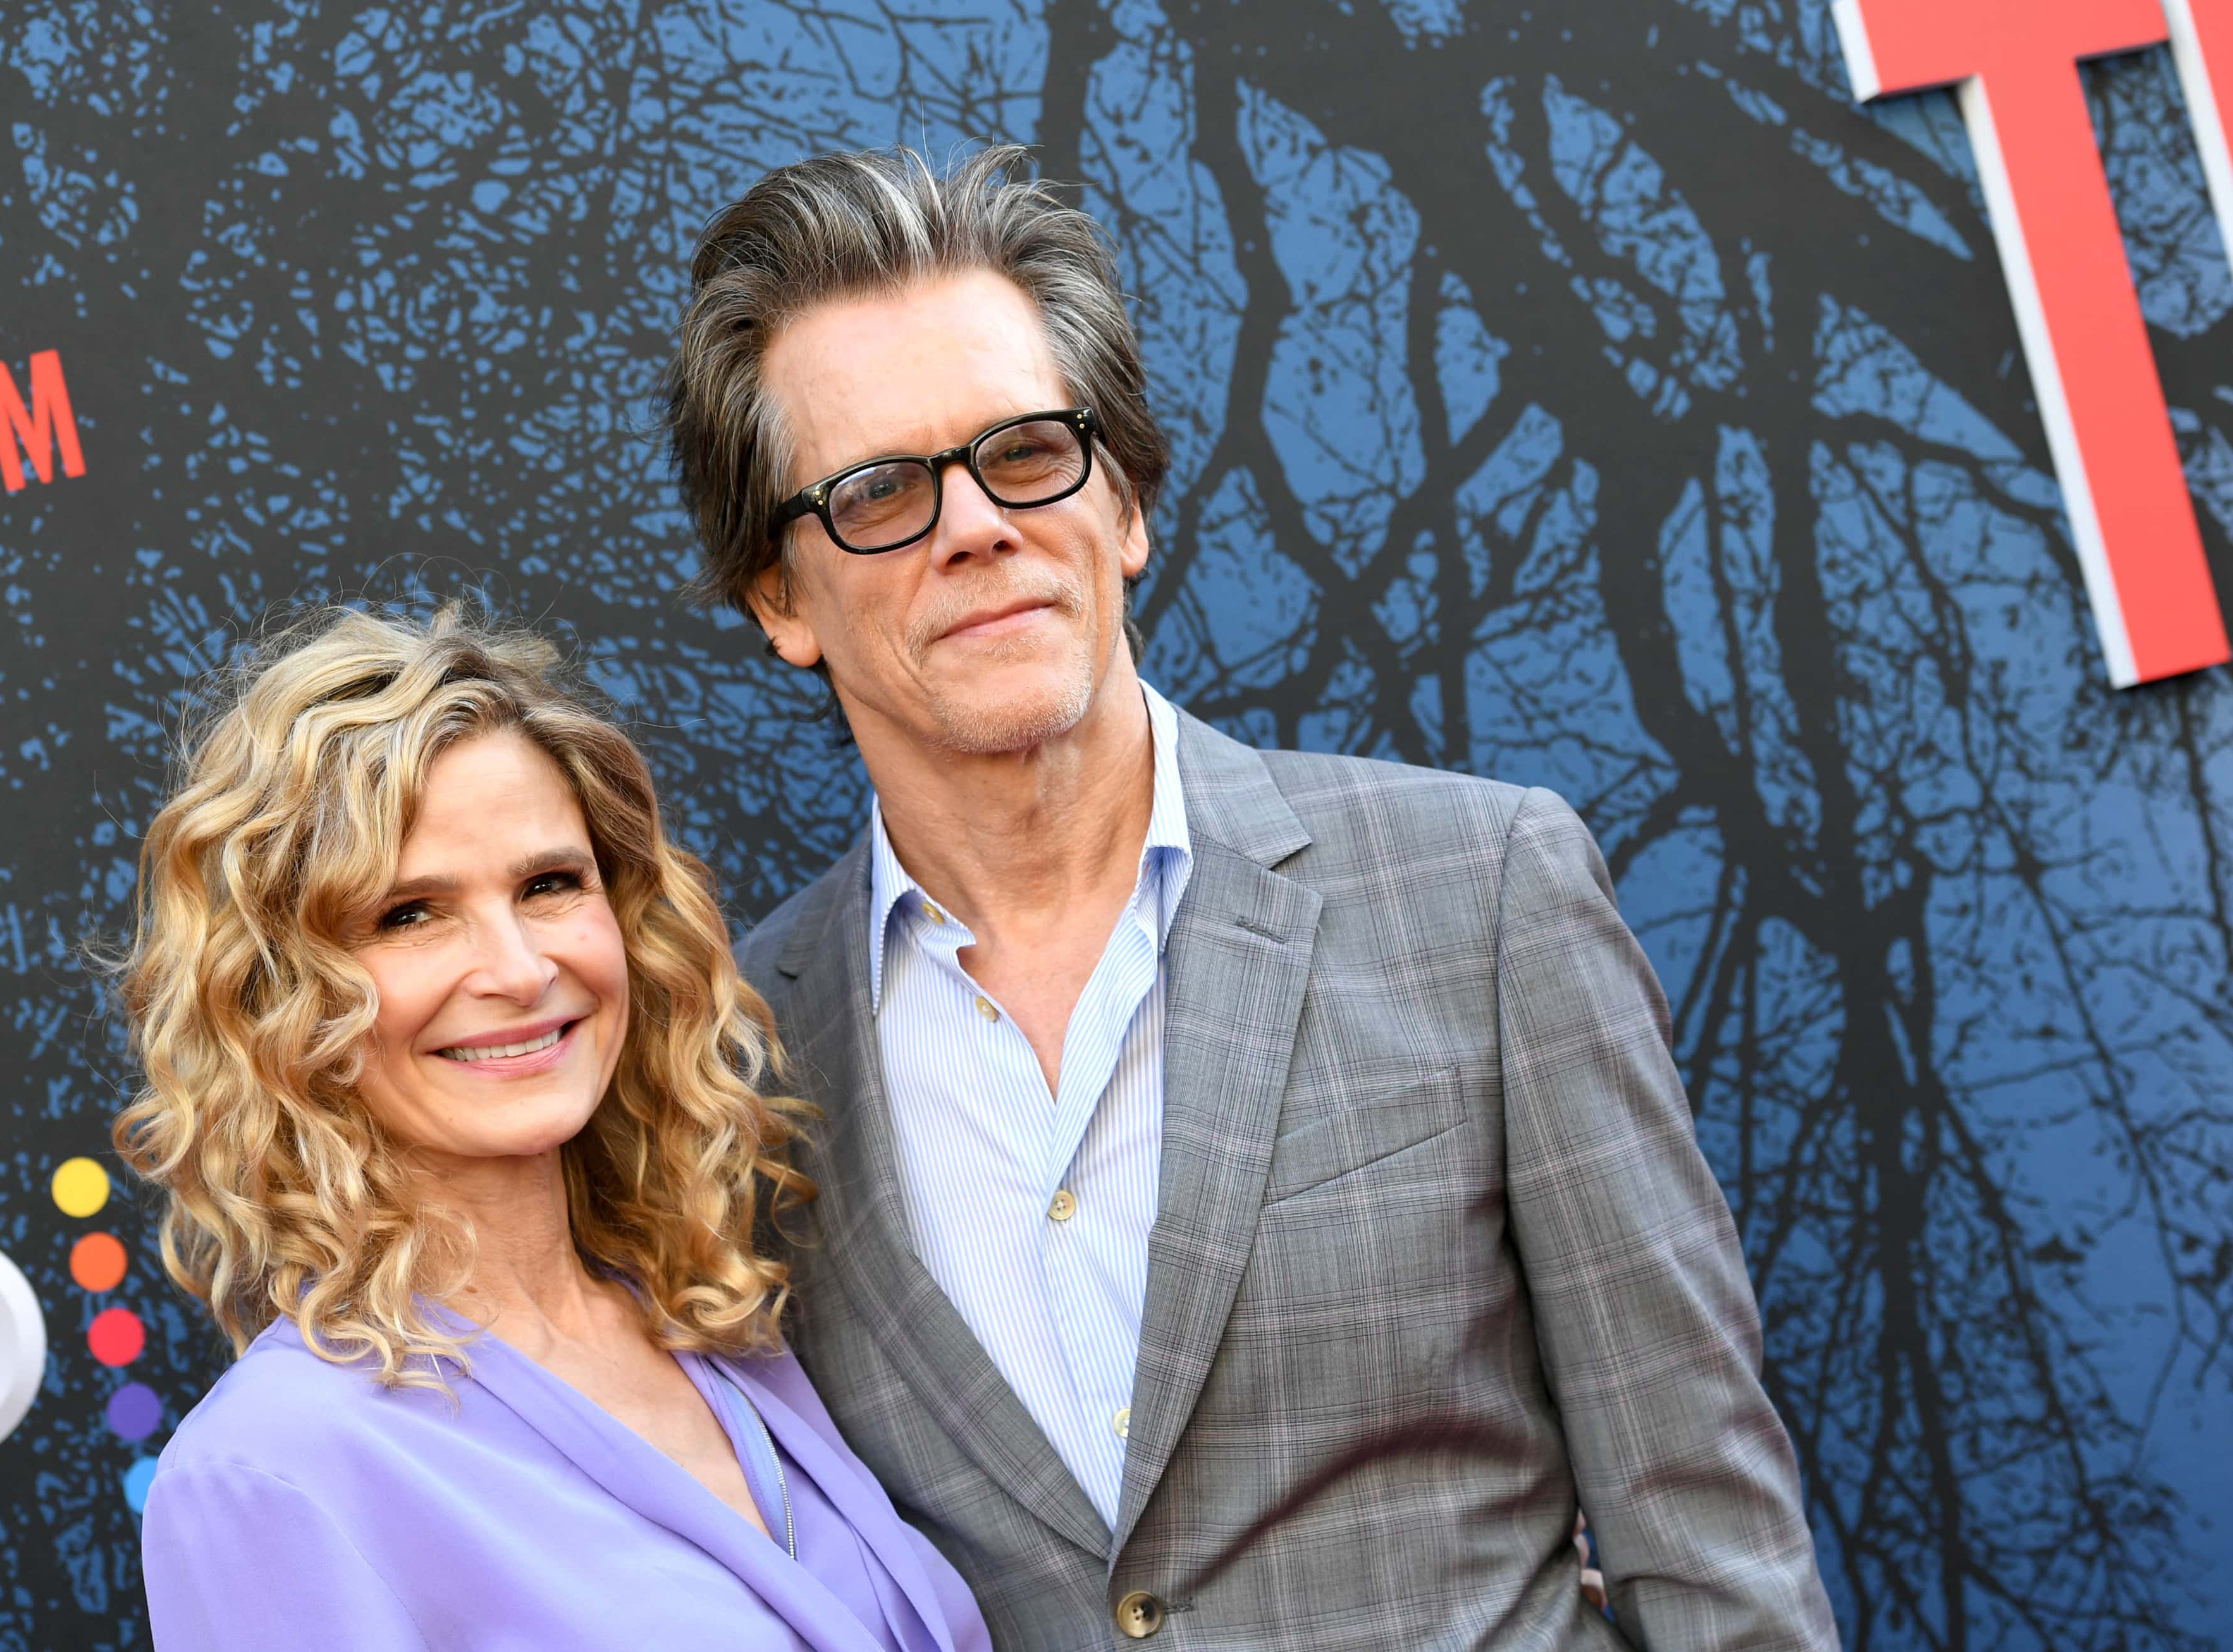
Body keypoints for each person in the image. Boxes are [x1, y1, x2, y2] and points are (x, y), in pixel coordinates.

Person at [663, 145, 1842, 1649]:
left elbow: (1709, 1544)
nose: (975, 525)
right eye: (880, 491)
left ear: (1127, 499)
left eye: (1027, 452)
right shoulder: (730, 1069)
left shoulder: (1481, 895)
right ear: (779, 597)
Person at [114, 604, 994, 1652]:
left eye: (548, 885)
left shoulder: (715, 1327)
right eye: (409, 913)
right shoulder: (272, 1474)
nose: (522, 968)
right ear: (283, 995)